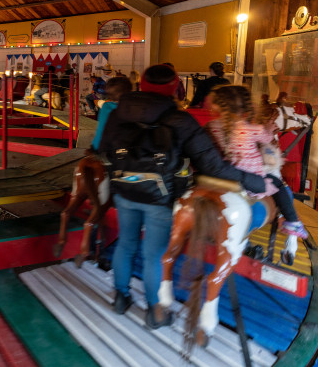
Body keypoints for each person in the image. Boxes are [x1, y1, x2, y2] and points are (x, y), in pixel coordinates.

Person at [98, 64, 270, 329]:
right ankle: (156, 311)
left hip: (123, 189)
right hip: (161, 196)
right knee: (155, 252)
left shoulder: (119, 112)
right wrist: (251, 179)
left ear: (141, 84)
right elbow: (213, 164)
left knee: (127, 242)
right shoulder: (179, 119)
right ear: (173, 86)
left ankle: (121, 297)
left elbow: (104, 147)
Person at [207, 86, 308, 238]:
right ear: (246, 108)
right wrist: (268, 129)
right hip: (252, 180)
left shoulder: (212, 126)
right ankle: (292, 221)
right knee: (278, 185)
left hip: (225, 175)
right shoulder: (253, 128)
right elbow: (268, 141)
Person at [90, 76, 131, 152]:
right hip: (129, 148)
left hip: (110, 149)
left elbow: (101, 129)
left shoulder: (107, 106)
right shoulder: (132, 106)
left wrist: (94, 148)